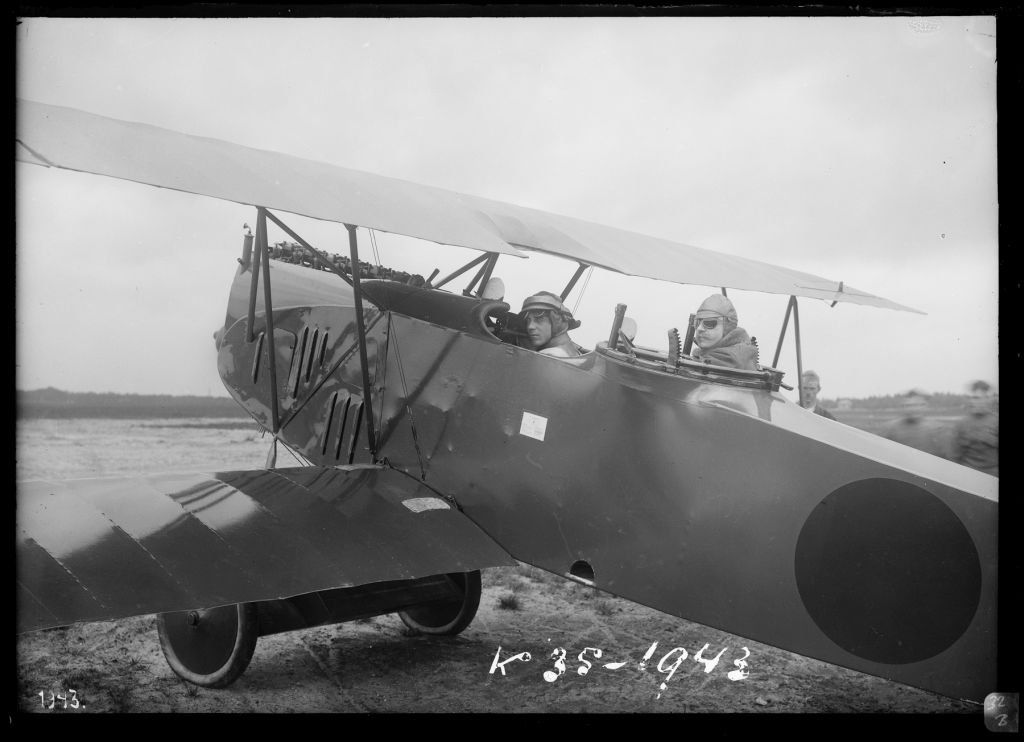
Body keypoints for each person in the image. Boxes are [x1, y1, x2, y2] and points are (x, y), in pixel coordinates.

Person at [689, 294, 758, 371]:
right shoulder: (738, 353)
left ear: (727, 327)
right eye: (697, 323)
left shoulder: (728, 359)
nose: (699, 328)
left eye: (709, 323)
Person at [882, 389, 950, 458]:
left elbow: (946, 459)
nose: (913, 409)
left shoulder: (937, 429)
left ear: (925, 406)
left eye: (917, 405)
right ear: (903, 407)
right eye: (908, 405)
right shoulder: (891, 429)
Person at [950, 380, 998, 476]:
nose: (976, 402)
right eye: (973, 398)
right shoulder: (962, 424)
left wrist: (990, 439)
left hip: (992, 475)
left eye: (980, 398)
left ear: (988, 399)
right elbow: (955, 455)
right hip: (968, 474)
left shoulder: (996, 421)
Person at [519, 291, 583, 357]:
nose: (530, 326)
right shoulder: (577, 353)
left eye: (539, 319)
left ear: (557, 321)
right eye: (528, 321)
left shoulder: (548, 355)